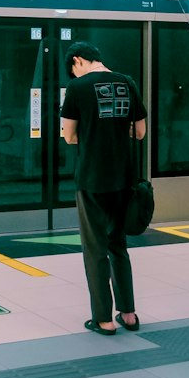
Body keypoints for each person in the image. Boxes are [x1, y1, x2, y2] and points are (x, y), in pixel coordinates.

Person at [61, 41, 147, 335]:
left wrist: (91, 133)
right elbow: (140, 132)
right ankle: (129, 314)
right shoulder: (128, 82)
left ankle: (103, 319)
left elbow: (69, 137)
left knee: (95, 248)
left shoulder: (77, 88)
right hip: (123, 177)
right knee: (117, 244)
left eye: (73, 69)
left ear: (77, 61)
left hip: (91, 179)